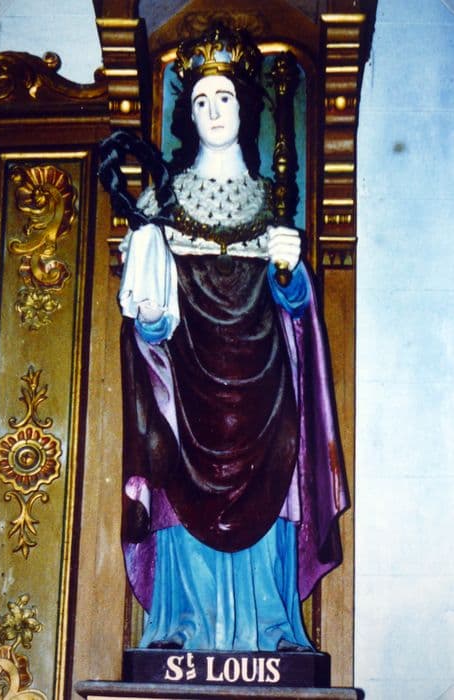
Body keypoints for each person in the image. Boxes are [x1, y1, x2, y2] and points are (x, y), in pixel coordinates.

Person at [109, 24, 348, 652]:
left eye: (225, 98)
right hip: (186, 393)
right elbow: (148, 332)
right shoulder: (159, 204)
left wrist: (290, 274)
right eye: (201, 101)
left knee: (272, 490)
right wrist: (150, 315)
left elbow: (296, 315)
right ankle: (182, 628)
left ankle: (271, 630)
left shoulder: (271, 205)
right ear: (188, 116)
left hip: (263, 390)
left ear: (245, 108)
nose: (214, 111)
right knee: (177, 482)